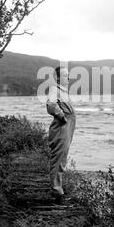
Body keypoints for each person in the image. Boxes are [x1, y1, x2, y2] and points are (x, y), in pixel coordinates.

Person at [46, 66, 76, 204]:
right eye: (65, 76)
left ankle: (58, 191)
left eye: (68, 75)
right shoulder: (55, 90)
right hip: (61, 129)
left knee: (61, 160)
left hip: (67, 129)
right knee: (58, 161)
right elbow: (51, 105)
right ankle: (57, 193)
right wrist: (62, 117)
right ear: (58, 78)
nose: (68, 78)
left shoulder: (62, 91)